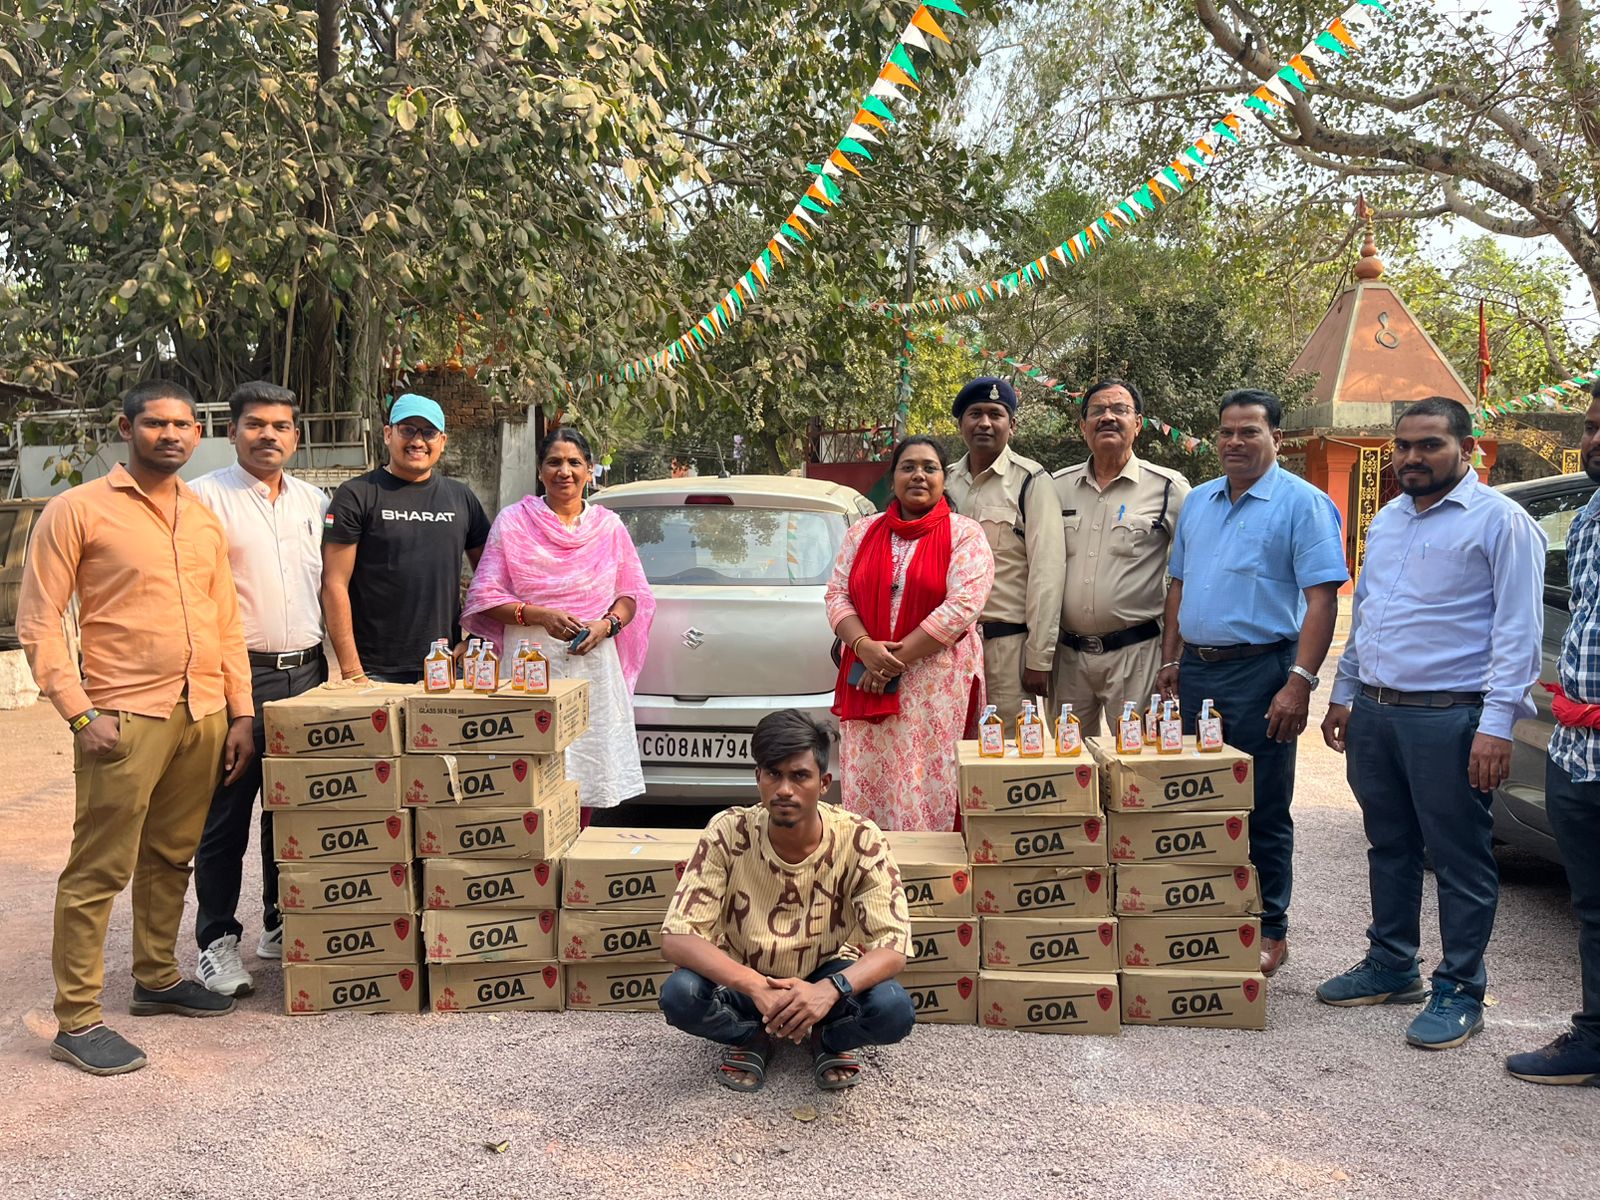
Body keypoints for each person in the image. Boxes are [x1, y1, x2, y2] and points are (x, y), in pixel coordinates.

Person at [17, 381, 255, 1076]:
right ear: (126, 428)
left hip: (201, 714)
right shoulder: (76, 510)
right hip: (122, 717)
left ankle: (155, 978)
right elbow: (39, 619)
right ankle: (78, 1018)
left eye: (183, 424)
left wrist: (240, 711)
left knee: (171, 855)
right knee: (99, 868)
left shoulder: (202, 519)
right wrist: (78, 710)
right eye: (155, 423)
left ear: (197, 434)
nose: (170, 434)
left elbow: (226, 623)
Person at [1318, 398, 1545, 1049]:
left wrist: (1497, 726)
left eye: (1429, 445)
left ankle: (1461, 988)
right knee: (1389, 845)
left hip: (1450, 717)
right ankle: (1392, 964)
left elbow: (1519, 634)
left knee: (1458, 857)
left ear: (1468, 449)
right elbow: (1369, 614)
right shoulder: (1389, 519)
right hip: (1377, 712)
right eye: (1403, 446)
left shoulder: (1501, 522)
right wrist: (1344, 692)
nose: (1412, 457)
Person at [1158, 388, 1347, 977]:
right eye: (1226, 432)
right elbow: (1178, 587)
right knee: (1193, 799)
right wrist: (1170, 661)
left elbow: (1322, 601)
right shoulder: (1199, 502)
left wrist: (1299, 683)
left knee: (1262, 805)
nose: (1234, 442)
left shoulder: (1304, 504)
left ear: (1276, 439)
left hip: (1263, 672)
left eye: (1249, 432)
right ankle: (1205, 916)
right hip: (1196, 672)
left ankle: (1270, 927)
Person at [659, 709, 914, 1093]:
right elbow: (676, 938)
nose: (784, 789)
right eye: (773, 774)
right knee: (680, 996)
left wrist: (829, 991)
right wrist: (756, 986)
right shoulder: (728, 831)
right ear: (757, 778)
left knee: (894, 1011)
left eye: (799, 776)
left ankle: (827, 1037)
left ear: (824, 783)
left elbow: (894, 947)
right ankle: (751, 1036)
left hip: (828, 971)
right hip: (745, 975)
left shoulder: (861, 838)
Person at [187, 382, 330, 995]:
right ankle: (216, 941)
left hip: (309, 675)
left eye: (280, 426)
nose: (268, 435)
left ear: (296, 436)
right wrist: (228, 694)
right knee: (225, 815)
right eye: (255, 424)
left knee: (290, 809)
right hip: (237, 675)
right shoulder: (201, 500)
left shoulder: (314, 501)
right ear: (232, 432)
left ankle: (279, 921)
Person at [462, 427, 655, 817]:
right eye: (554, 462)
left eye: (574, 462)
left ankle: (578, 851)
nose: (564, 471)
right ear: (540, 470)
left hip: (593, 662)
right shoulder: (513, 523)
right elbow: (485, 597)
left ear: (589, 471)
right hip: (530, 662)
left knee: (587, 766)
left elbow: (631, 596)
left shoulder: (609, 527)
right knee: (529, 766)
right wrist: (539, 616)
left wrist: (607, 626)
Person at [1505, 381, 1600, 1084]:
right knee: (1591, 907)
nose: (1594, 441)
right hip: (1576, 749)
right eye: (1591, 427)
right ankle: (1594, 1038)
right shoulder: (1589, 516)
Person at [825, 436, 995, 831]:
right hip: (868, 682)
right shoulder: (862, 532)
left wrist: (886, 662)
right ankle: (870, 859)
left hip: (935, 690)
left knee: (927, 785)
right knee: (873, 782)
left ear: (943, 479)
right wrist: (863, 646)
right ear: (893, 477)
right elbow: (836, 594)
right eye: (908, 467)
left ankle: (927, 865)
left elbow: (963, 606)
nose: (918, 475)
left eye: (929, 468)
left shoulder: (964, 534)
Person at [1051, 378, 1191, 735]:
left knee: (1136, 757)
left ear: (1138, 423)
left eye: (1120, 410)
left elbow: (1192, 573)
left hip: (1137, 656)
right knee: (1068, 758)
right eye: (1097, 411)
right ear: (1083, 426)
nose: (1108, 417)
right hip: (1067, 658)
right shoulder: (1055, 487)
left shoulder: (1169, 488)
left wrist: (1174, 656)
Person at [322, 392, 491, 684]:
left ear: (442, 441)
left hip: (445, 665)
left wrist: (476, 638)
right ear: (388, 434)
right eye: (408, 430)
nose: (418, 441)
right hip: (374, 670)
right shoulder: (357, 495)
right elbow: (334, 583)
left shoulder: (461, 497)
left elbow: (491, 577)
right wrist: (352, 672)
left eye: (428, 432)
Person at [944, 376, 1065, 725]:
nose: (984, 423)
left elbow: (1047, 573)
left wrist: (1039, 658)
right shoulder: (944, 481)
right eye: (975, 414)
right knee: (950, 742)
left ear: (1011, 426)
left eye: (995, 414)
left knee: (1005, 748)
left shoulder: (1031, 481)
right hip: (946, 647)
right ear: (961, 424)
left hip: (1006, 649)